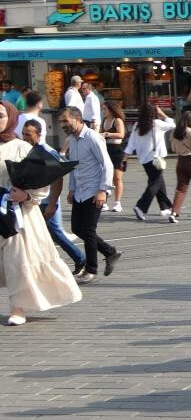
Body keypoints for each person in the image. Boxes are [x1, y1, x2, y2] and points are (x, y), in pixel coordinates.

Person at [0, 102, 81, 326]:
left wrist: (26, 195)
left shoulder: (21, 147)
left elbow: (41, 179)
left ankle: (18, 307)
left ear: (11, 117)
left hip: (18, 214)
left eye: (1, 115)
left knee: (18, 260)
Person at [59, 107, 120, 285]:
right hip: (80, 191)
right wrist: (71, 189)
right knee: (77, 228)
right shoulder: (72, 139)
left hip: (95, 190)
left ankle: (91, 270)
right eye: (61, 122)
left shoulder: (92, 137)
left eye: (65, 121)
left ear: (77, 119)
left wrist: (103, 190)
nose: (62, 125)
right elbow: (73, 166)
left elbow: (107, 164)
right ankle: (110, 252)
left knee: (88, 230)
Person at [21, 119, 86, 276]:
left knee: (53, 233)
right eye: (23, 134)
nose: (24, 137)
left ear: (38, 134)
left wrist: (52, 203)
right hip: (33, 200)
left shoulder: (47, 152)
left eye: (28, 134)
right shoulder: (28, 150)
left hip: (46, 201)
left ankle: (80, 259)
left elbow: (58, 179)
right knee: (39, 234)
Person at [124, 103, 175, 221]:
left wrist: (125, 158)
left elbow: (131, 144)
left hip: (144, 159)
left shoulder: (137, 125)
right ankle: (141, 207)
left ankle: (165, 207)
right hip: (157, 158)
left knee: (158, 181)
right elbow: (172, 125)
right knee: (155, 183)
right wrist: (162, 113)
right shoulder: (157, 124)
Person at [100, 101, 126, 213]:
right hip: (106, 149)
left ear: (111, 110)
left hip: (117, 150)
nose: (103, 111)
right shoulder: (104, 121)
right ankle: (104, 202)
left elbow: (121, 134)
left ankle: (117, 203)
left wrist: (107, 134)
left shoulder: (117, 120)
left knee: (117, 178)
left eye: (105, 109)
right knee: (105, 176)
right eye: (103, 109)